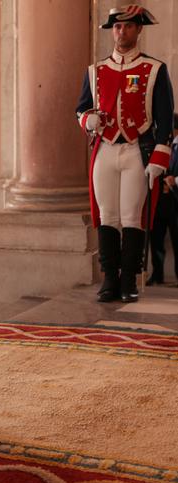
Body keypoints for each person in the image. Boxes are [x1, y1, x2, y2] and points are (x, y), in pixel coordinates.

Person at [76, 4, 174, 303]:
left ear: (138, 29)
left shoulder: (154, 69)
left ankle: (129, 280)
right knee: (108, 216)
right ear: (112, 31)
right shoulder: (96, 71)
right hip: (105, 148)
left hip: (136, 149)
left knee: (132, 216)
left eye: (128, 26)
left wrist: (160, 157)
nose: (122, 31)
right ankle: (109, 279)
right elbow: (81, 108)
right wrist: (86, 119)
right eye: (117, 27)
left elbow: (164, 116)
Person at [147, 113, 178, 285]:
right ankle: (157, 274)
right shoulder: (156, 148)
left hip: (176, 202)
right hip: (159, 202)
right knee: (156, 240)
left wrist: (174, 181)